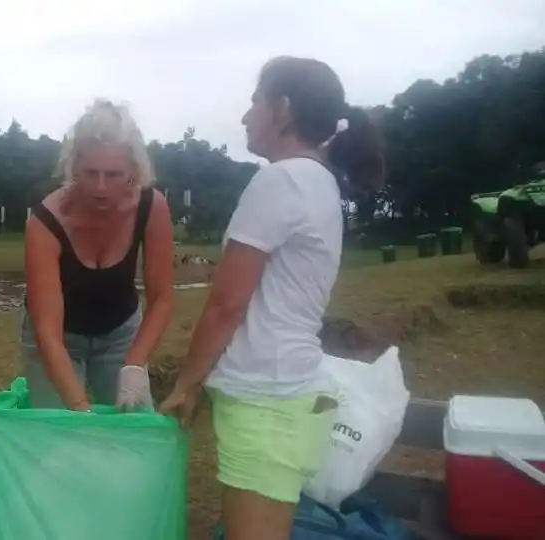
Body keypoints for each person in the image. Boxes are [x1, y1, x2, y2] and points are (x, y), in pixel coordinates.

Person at [160, 56, 385, 540]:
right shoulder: (317, 180)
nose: (245, 115)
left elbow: (226, 304)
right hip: (287, 390)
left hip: (267, 398)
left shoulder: (281, 179)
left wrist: (186, 383)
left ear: (282, 108)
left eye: (254, 102)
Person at [23, 99, 175, 412]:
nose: (101, 188)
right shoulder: (45, 222)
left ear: (134, 171)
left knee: (130, 428)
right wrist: (80, 407)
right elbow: (48, 333)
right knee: (60, 434)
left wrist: (134, 365)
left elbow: (161, 298)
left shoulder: (151, 206)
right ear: (74, 166)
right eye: (91, 173)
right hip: (58, 339)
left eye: (114, 174)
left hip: (120, 333)